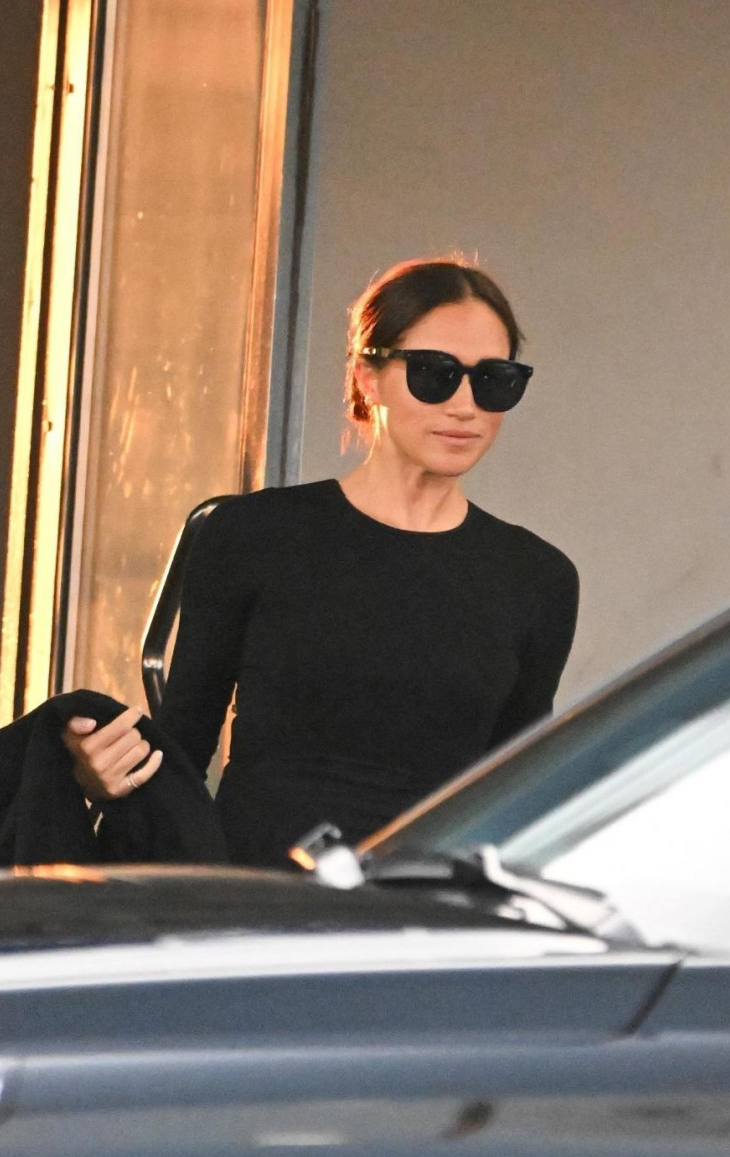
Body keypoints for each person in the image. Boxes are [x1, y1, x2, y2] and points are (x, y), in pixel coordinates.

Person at [62, 258, 578, 867]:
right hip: (258, 893)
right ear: (367, 377)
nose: (465, 405)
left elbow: (516, 794)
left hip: (421, 902)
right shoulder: (253, 535)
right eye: (434, 373)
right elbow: (182, 749)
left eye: (494, 380)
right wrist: (101, 777)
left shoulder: (536, 579)